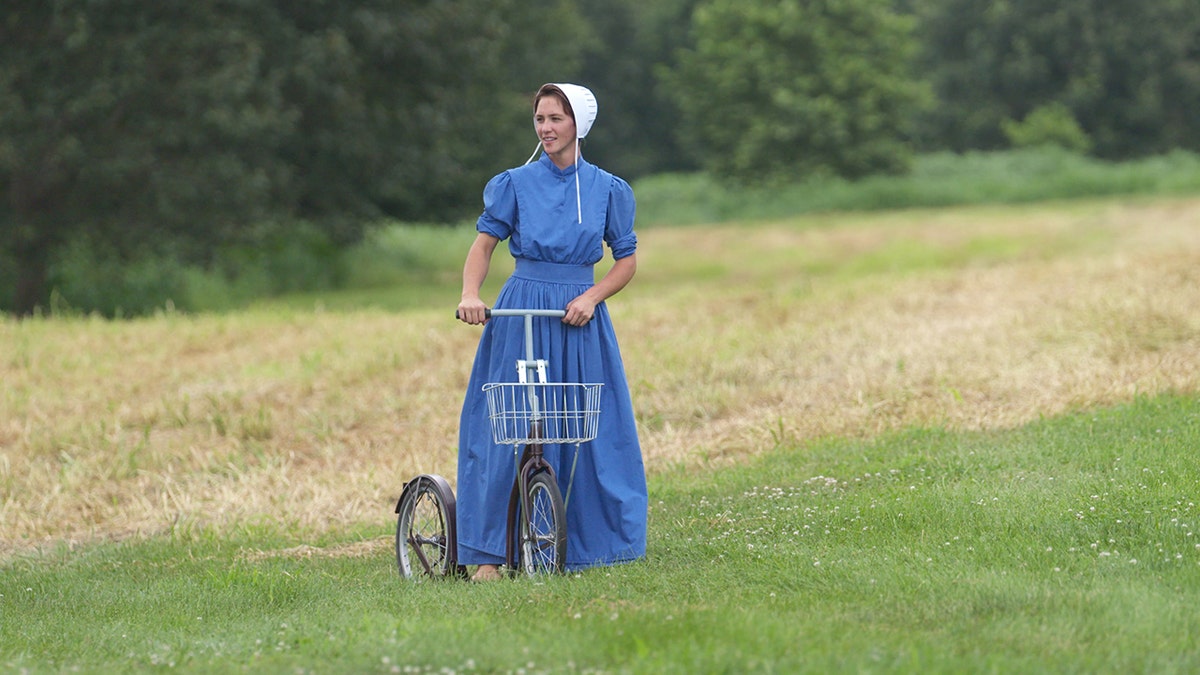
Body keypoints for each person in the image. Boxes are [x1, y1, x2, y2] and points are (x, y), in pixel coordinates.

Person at [455, 83, 647, 581]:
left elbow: (624, 263)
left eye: (556, 119)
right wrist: (471, 294)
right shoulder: (514, 183)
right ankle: (486, 554)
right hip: (523, 312)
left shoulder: (608, 189)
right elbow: (483, 247)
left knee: (585, 427)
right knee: (505, 426)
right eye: (540, 119)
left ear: (578, 124)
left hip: (579, 316)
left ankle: (586, 545)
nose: (546, 128)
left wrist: (591, 297)